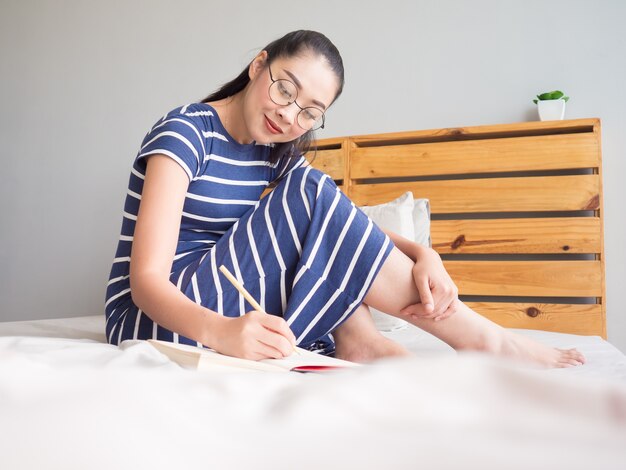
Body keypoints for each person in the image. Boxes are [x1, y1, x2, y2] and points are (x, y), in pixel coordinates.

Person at [105, 30, 585, 368]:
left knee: (318, 211)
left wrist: (422, 252)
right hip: (150, 313)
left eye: (310, 111)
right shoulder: (186, 132)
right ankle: (482, 339)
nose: (289, 115)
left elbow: (340, 223)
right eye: (285, 89)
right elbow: (146, 281)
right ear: (258, 66)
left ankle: (363, 341)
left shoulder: (270, 152)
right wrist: (221, 332)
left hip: (215, 286)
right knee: (311, 192)